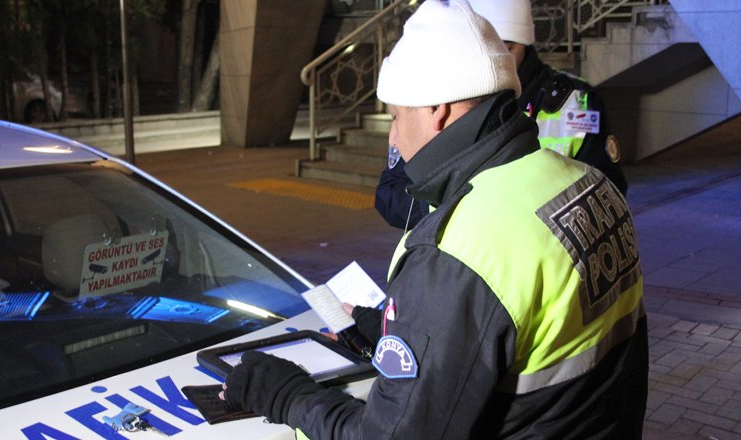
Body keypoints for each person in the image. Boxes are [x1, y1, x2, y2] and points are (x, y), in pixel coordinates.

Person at [220, 0, 648, 438]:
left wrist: (285, 394)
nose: (393, 136)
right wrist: (404, 326)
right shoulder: (586, 184)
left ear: (436, 109)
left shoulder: (459, 249)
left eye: (395, 116)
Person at [375, 0, 629, 230]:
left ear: (525, 42)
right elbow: (390, 194)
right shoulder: (439, 104)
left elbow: (607, 196)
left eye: (507, 47)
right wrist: (450, 207)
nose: (497, 58)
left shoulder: (577, 103)